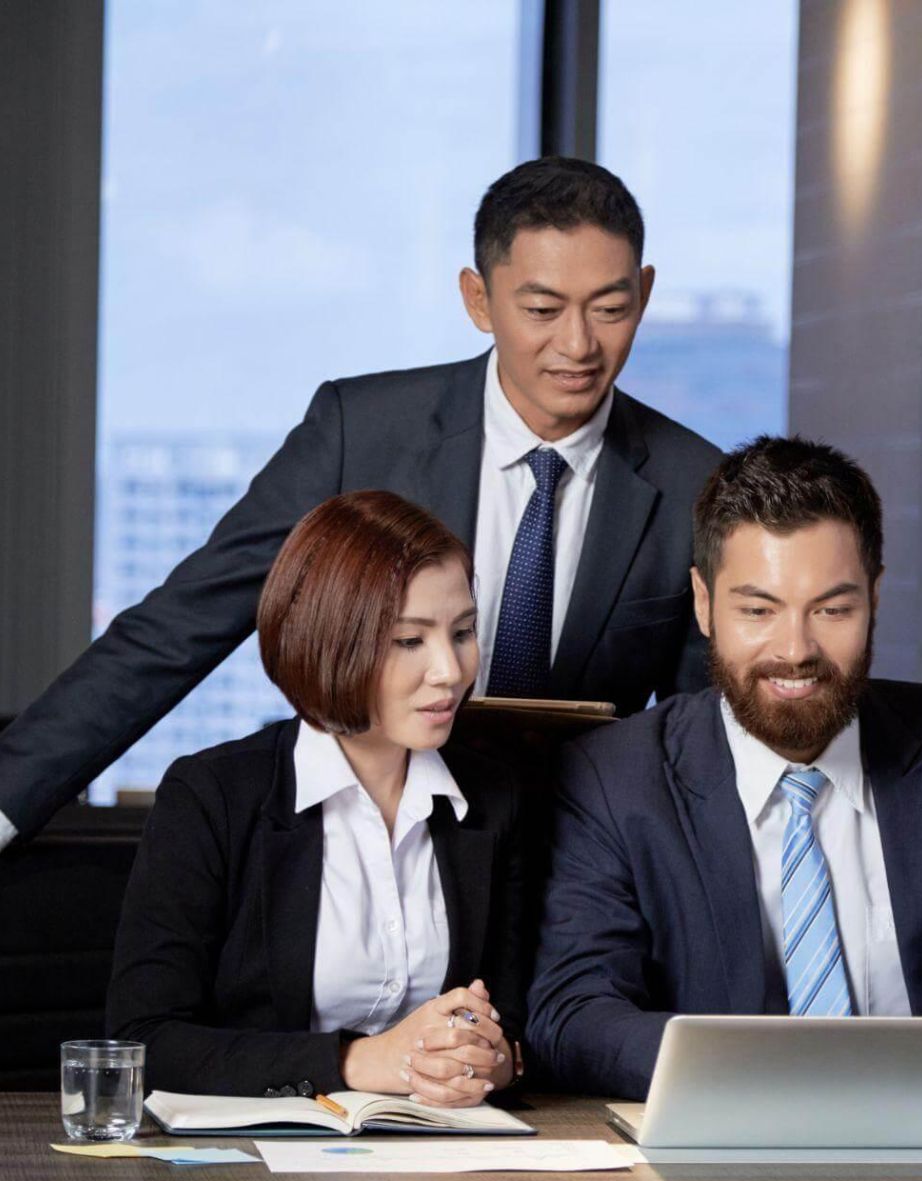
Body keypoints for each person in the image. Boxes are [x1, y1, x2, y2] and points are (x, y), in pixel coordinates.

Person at [0, 157, 723, 853]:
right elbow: (178, 627)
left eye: (610, 309)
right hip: (365, 859)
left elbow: (706, 737)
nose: (578, 344)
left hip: (578, 871)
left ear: (645, 293)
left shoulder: (698, 482)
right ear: (478, 299)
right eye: (541, 308)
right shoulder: (362, 434)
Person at [527, 437, 922, 1103]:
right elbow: (574, 1015)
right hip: (718, 1155)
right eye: (758, 610)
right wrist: (770, 1072)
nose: (795, 650)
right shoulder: (612, 777)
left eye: (832, 610)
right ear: (704, 604)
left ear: (875, 597)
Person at [107, 492, 527, 1102]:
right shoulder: (213, 796)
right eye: (409, 641)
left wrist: (496, 1059)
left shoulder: (493, 797)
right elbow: (145, 1040)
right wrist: (361, 1061)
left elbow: (516, 1024)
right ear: (330, 641)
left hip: (441, 1163)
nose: (451, 671)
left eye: (462, 632)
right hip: (255, 1168)